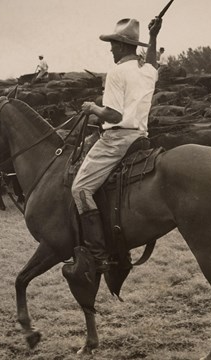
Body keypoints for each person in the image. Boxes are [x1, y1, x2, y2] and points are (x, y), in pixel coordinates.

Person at [70, 17, 162, 281]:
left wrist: (92, 108)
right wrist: (154, 36)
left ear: (122, 46)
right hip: (141, 138)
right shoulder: (147, 71)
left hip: (116, 140)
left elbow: (112, 114)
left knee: (80, 188)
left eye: (112, 44)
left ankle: (99, 255)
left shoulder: (117, 73)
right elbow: (153, 62)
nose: (110, 49)